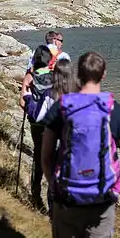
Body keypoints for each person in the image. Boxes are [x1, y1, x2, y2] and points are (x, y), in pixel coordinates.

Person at [41, 52, 120, 238]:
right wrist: (116, 190)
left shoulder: (61, 107)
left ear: (78, 75)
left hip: (66, 196)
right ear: (104, 75)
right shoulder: (117, 111)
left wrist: (54, 186)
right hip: (102, 199)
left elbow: (46, 156)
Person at [26, 58, 78, 214]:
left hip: (54, 140)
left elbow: (39, 116)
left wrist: (29, 100)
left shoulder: (50, 94)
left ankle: (53, 210)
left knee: (53, 173)